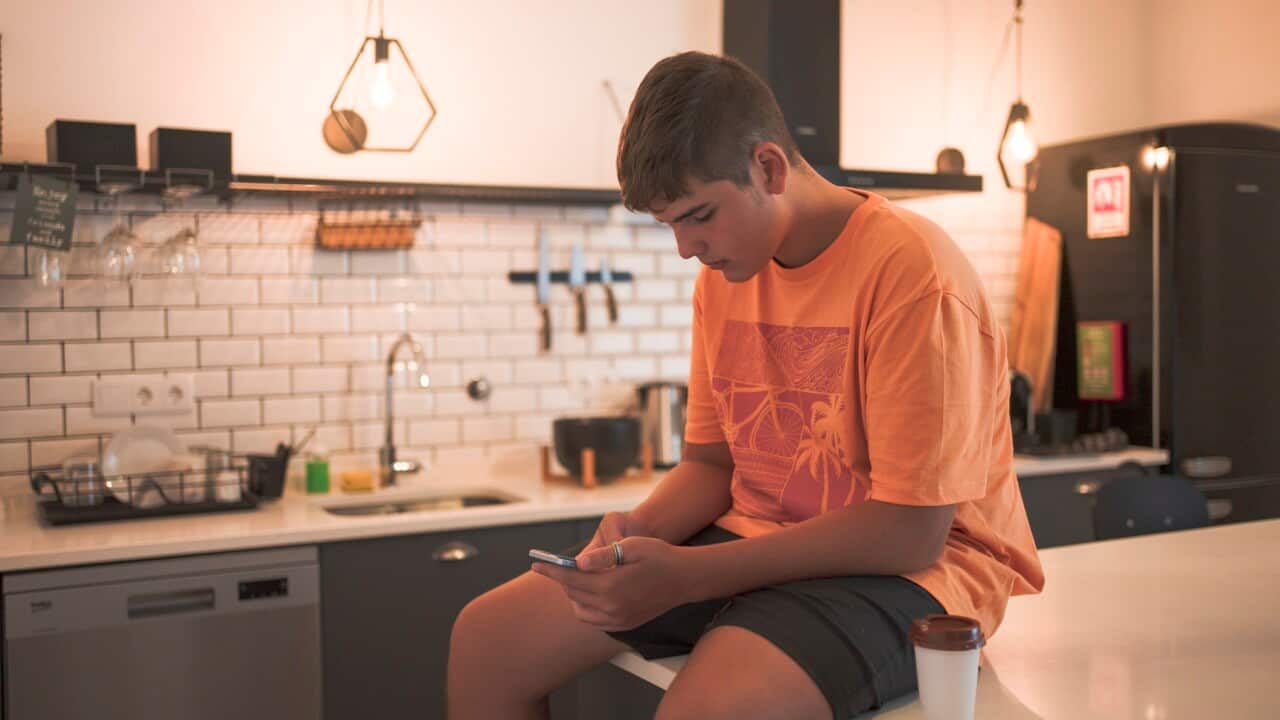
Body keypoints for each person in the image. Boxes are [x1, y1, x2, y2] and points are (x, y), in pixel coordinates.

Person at [447, 50, 1044, 720]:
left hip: (920, 575)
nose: (684, 247)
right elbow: (710, 464)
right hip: (761, 540)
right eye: (670, 223)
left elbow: (911, 532)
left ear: (768, 168)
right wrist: (634, 533)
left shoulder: (912, 272)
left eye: (698, 215)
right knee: (485, 641)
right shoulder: (723, 278)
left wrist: (687, 575)